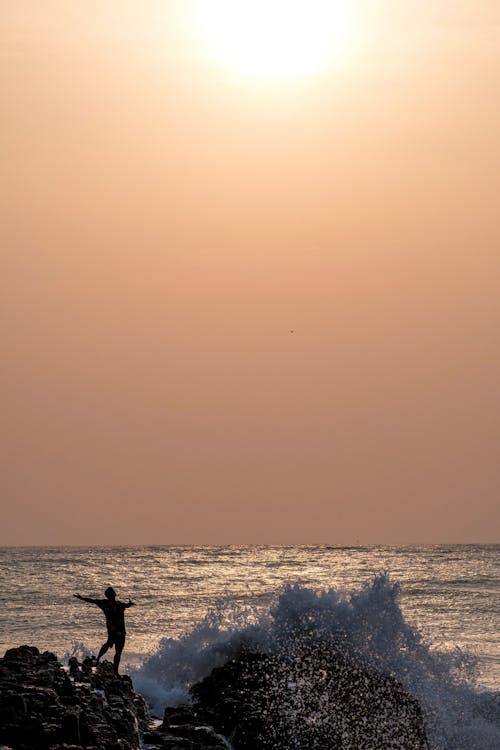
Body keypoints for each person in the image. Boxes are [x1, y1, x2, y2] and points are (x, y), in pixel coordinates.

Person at [74, 587, 135, 675]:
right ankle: (115, 672)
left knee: (108, 644)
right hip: (120, 631)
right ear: (115, 594)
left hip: (113, 630)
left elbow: (92, 600)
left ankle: (98, 659)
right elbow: (127, 606)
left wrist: (81, 598)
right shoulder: (119, 604)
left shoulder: (104, 603)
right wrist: (130, 604)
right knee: (117, 652)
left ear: (106, 596)